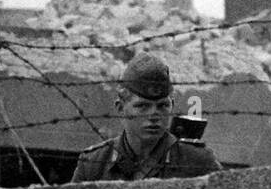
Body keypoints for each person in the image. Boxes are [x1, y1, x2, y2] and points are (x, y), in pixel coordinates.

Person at [70, 52, 223, 182]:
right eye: (142, 106)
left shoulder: (197, 162)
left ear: (172, 106)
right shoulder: (95, 164)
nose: (154, 115)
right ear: (121, 108)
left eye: (162, 106)